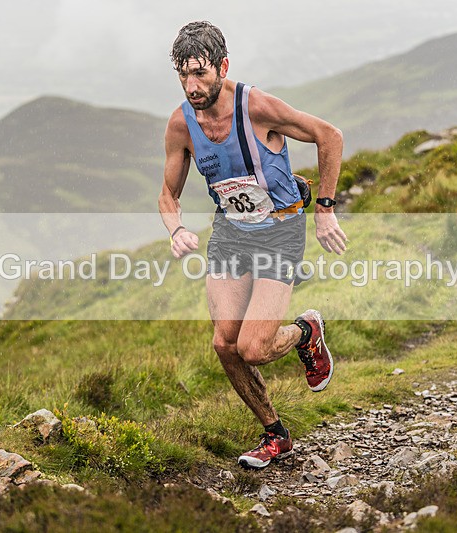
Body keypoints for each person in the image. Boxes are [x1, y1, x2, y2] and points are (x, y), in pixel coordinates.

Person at [159, 21, 347, 470]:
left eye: (201, 74)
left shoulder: (256, 106)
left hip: (280, 230)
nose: (192, 86)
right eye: (183, 76)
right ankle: (274, 433)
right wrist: (176, 229)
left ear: (223, 67)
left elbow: (330, 136)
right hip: (230, 232)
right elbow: (168, 195)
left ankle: (307, 332)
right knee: (225, 344)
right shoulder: (181, 124)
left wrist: (324, 208)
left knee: (254, 347)